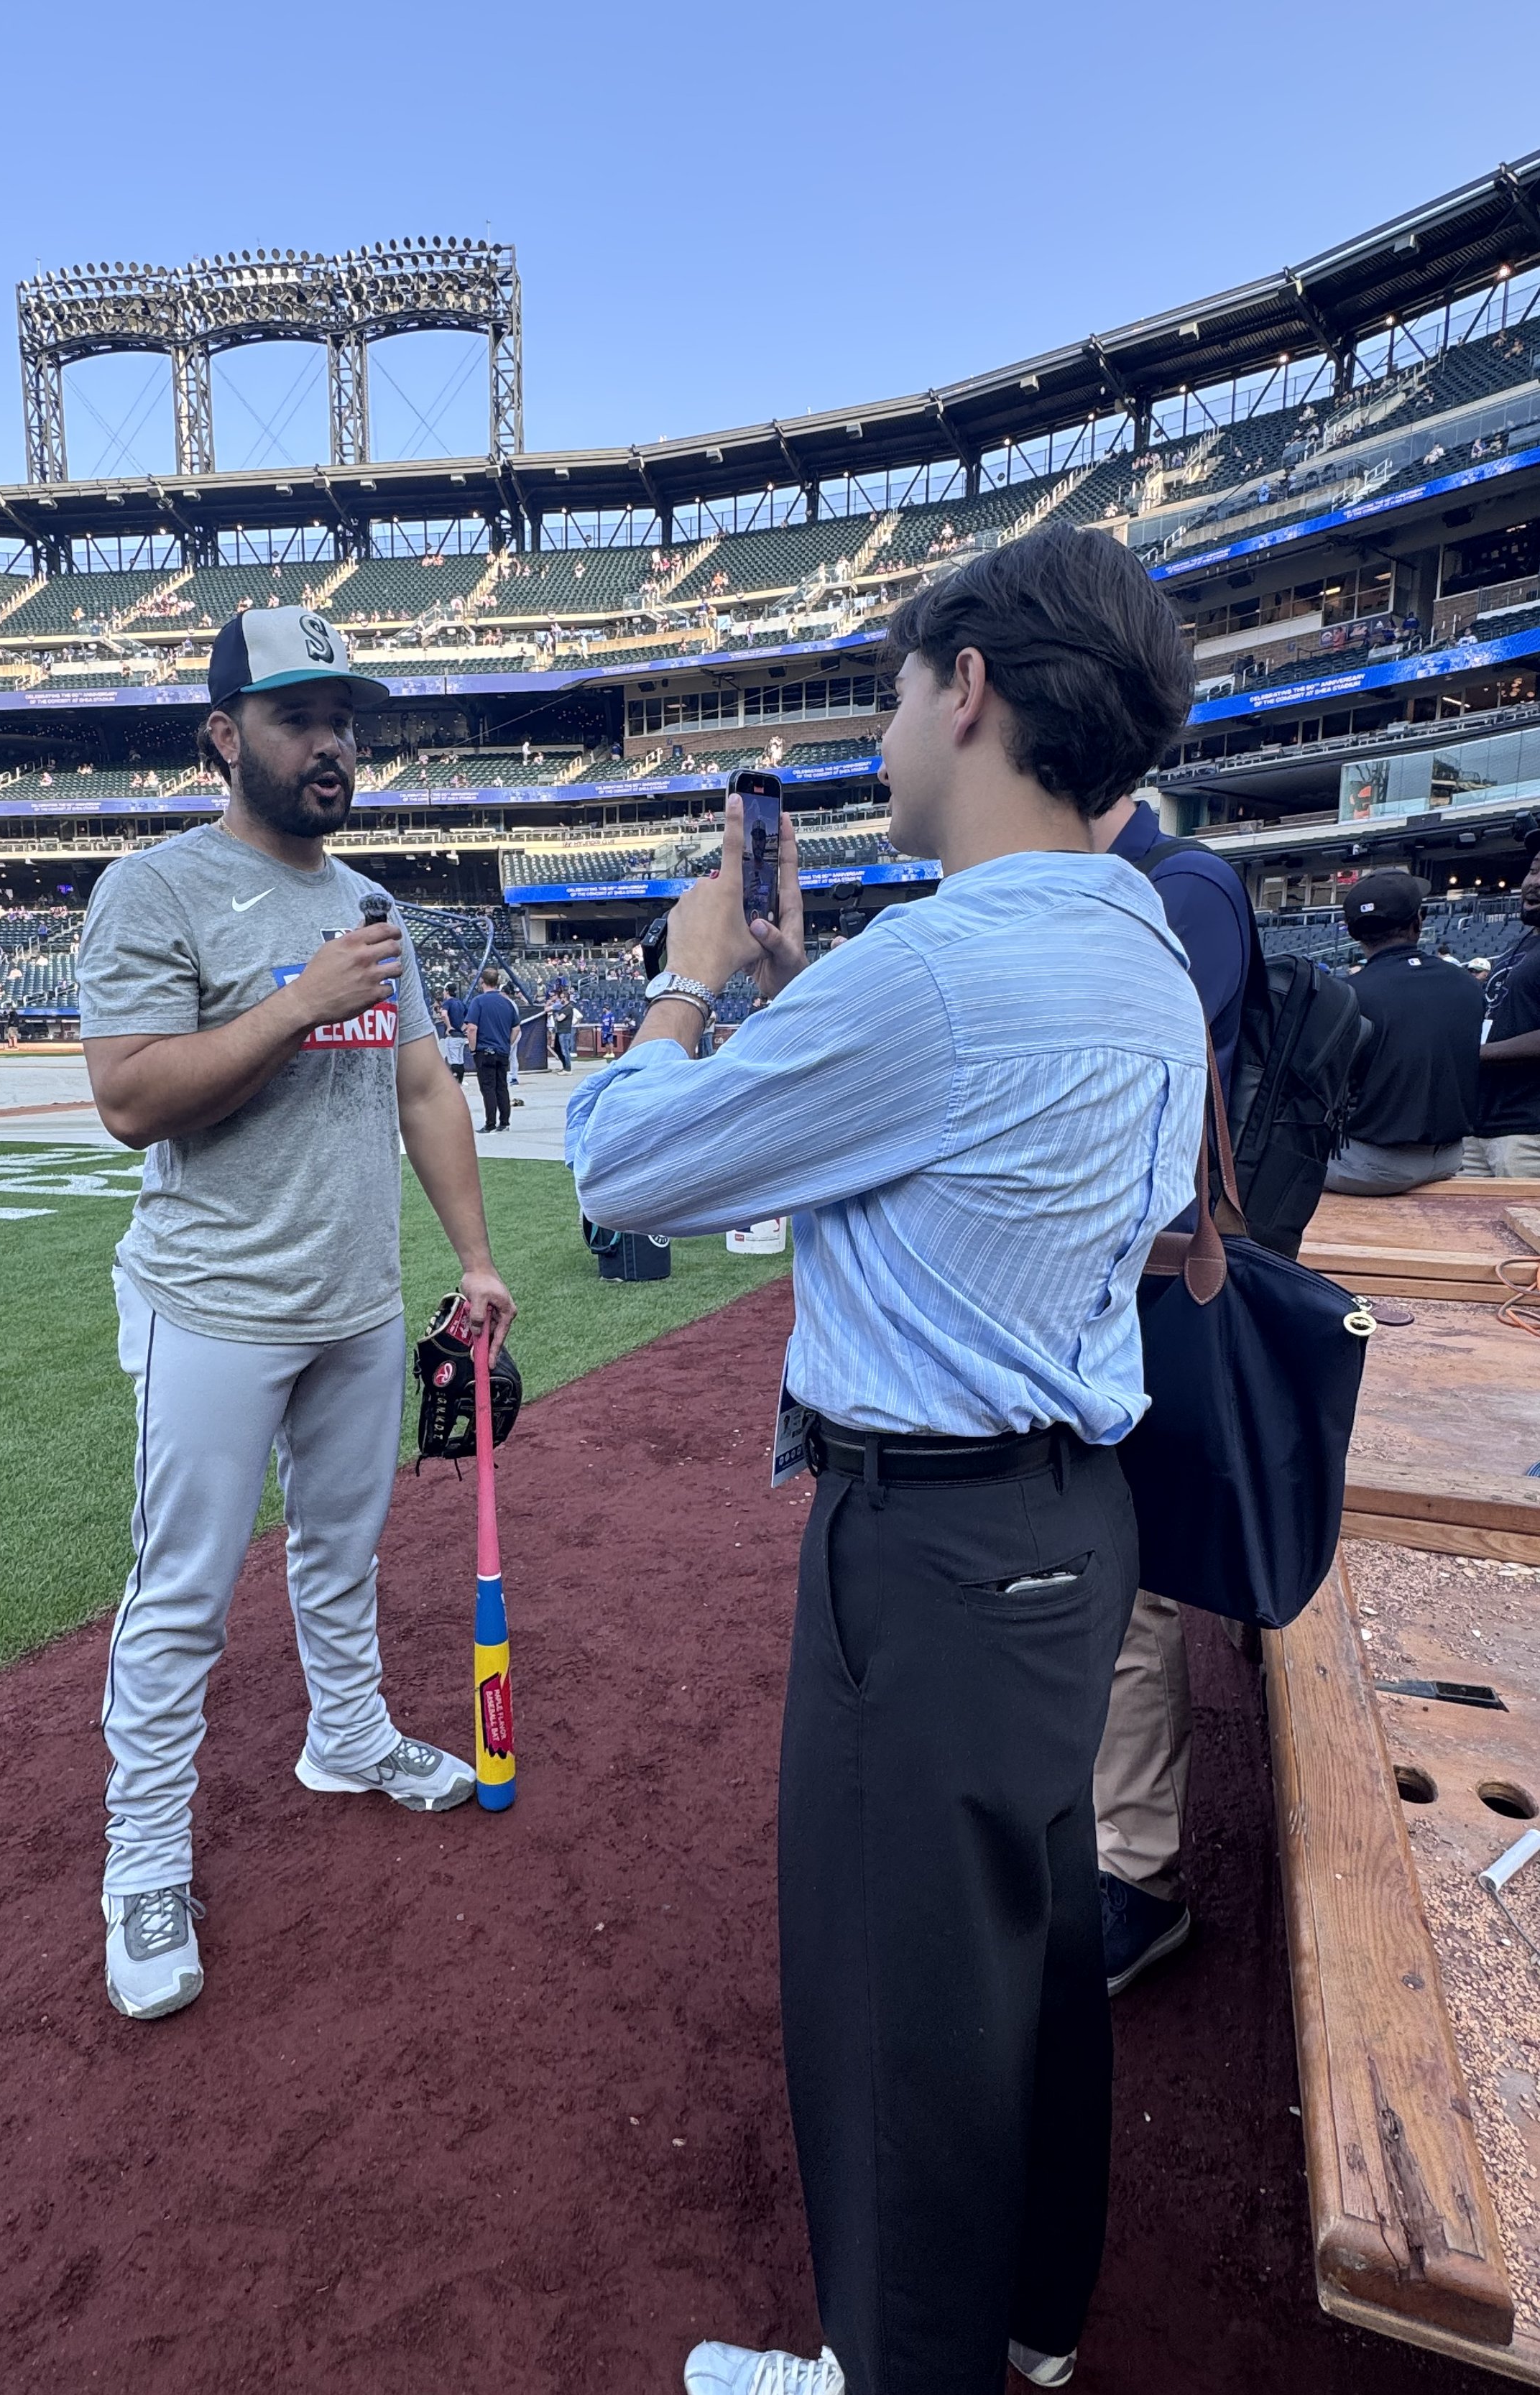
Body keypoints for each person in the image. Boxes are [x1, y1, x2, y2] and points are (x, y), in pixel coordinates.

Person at [568, 524, 1204, 2395]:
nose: (886, 717)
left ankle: (897, 2365)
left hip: (923, 1548)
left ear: (972, 686)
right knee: (1029, 1934)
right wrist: (789, 1004)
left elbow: (625, 1170)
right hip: (1072, 1518)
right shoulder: (1142, 936)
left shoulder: (929, 969)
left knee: (896, 2009)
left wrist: (689, 983)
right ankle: (1031, 2317)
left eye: (897, 683)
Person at [75, 606, 515, 2024]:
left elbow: (425, 1088)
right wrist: (298, 1000)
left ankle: (346, 1734)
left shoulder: (371, 903)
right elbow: (129, 1095)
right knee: (183, 1594)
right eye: (296, 717)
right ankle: (141, 1862)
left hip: (355, 1297)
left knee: (344, 1549)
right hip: (210, 1304)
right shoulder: (154, 891)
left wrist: (475, 1256)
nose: (331, 744)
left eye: (344, 719)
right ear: (226, 736)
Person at [1084, 784, 1253, 1998]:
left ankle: (1133, 1878)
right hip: (1121, 1280)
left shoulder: (1179, 882)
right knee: (1115, 1574)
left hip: (1158, 1279)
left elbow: (1133, 1096)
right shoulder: (1130, 881)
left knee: (1138, 1586)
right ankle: (1105, 1843)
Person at [1324, 873, 1484, 1194]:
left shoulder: (1346, 994)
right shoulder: (1468, 983)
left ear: (1355, 933)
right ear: (1417, 922)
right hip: (1450, 1158)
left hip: (1371, 1167)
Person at [1463, 844, 1540, 1178]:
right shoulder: (1520, 945)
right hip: (1480, 1126)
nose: (1533, 882)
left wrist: (1475, 1053)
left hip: (1527, 1131)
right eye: (1534, 870)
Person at [464, 964, 518, 1132]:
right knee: (502, 1086)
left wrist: (473, 1050)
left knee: (488, 1087)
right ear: (497, 982)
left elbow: (472, 1027)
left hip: (485, 1050)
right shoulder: (507, 1003)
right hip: (502, 1051)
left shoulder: (478, 1001)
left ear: (482, 982)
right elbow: (516, 1028)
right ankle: (505, 1122)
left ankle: (490, 1123)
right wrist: (507, 1044)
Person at [439, 982, 470, 1082]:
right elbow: (469, 1017)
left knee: (454, 1061)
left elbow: (444, 1014)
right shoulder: (460, 1003)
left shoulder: (448, 1002)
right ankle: (460, 1081)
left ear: (447, 991)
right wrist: (463, 1028)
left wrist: (449, 1027)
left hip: (452, 1036)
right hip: (461, 1036)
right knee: (460, 1060)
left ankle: (455, 1082)